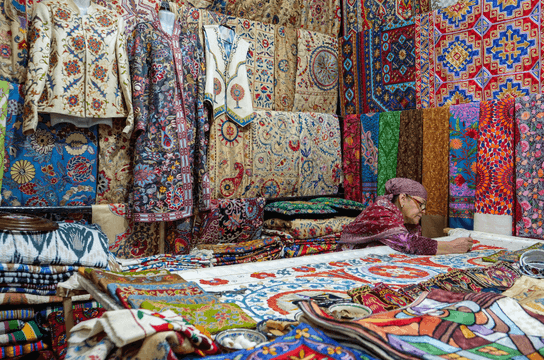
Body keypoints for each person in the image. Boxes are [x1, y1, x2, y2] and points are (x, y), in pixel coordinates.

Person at [340, 178, 473, 255]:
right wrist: (451, 246)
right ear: (403, 199)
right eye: (421, 204)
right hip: (346, 258)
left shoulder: (405, 220)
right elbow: (407, 242)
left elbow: (415, 241)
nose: (424, 211)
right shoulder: (381, 211)